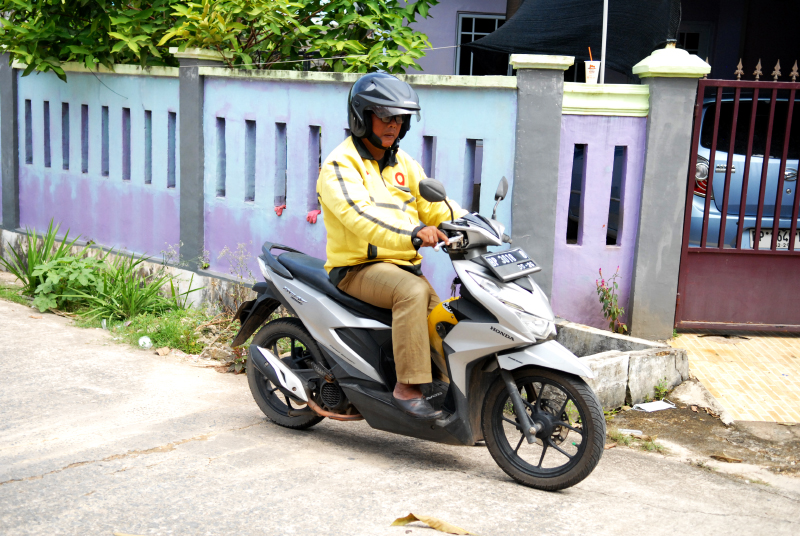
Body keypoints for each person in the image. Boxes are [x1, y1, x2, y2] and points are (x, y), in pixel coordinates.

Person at [316, 73, 466, 420]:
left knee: (445, 320)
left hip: (401, 269)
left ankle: (451, 395)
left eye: (399, 118)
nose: (393, 124)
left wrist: (472, 223)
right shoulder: (340, 165)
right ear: (362, 116)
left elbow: (435, 207)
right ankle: (407, 387)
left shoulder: (403, 163)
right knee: (413, 292)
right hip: (357, 269)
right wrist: (415, 232)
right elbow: (361, 218)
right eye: (385, 116)